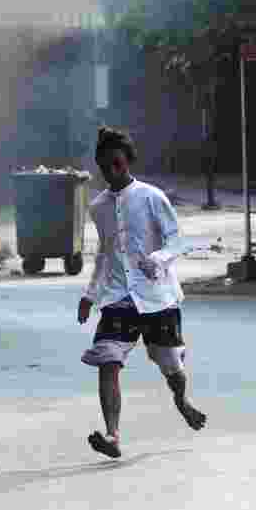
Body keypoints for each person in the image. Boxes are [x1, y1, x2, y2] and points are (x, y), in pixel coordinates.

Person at [78, 126, 207, 459]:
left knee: (170, 364)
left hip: (156, 296)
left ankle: (181, 400)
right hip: (118, 297)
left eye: (117, 165)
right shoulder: (98, 207)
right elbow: (104, 254)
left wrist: (158, 259)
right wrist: (90, 295)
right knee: (108, 360)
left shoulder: (151, 197)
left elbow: (177, 240)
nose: (112, 172)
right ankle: (112, 435)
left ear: (128, 162)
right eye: (105, 167)